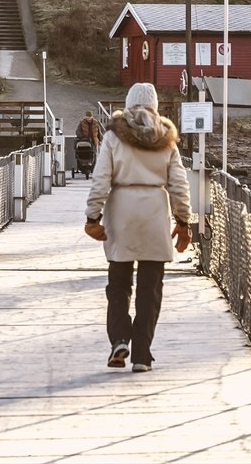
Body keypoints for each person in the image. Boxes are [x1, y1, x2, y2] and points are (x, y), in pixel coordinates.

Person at [84, 83, 192, 373]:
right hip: (155, 214)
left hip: (121, 213)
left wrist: (92, 217)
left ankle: (119, 339)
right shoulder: (167, 138)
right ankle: (142, 354)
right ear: (156, 106)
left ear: (129, 103)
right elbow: (179, 185)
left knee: (118, 284)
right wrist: (183, 221)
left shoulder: (113, 136)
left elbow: (101, 180)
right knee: (150, 289)